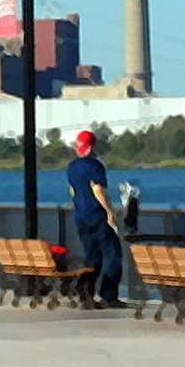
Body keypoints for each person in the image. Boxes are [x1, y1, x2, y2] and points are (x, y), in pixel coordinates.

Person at [66, 130, 126, 307]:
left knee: (92, 257)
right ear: (92, 147)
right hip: (97, 216)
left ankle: (86, 292)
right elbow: (97, 189)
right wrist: (110, 211)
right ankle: (109, 295)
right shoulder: (95, 166)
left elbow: (72, 191)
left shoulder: (72, 167)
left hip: (81, 217)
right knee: (113, 254)